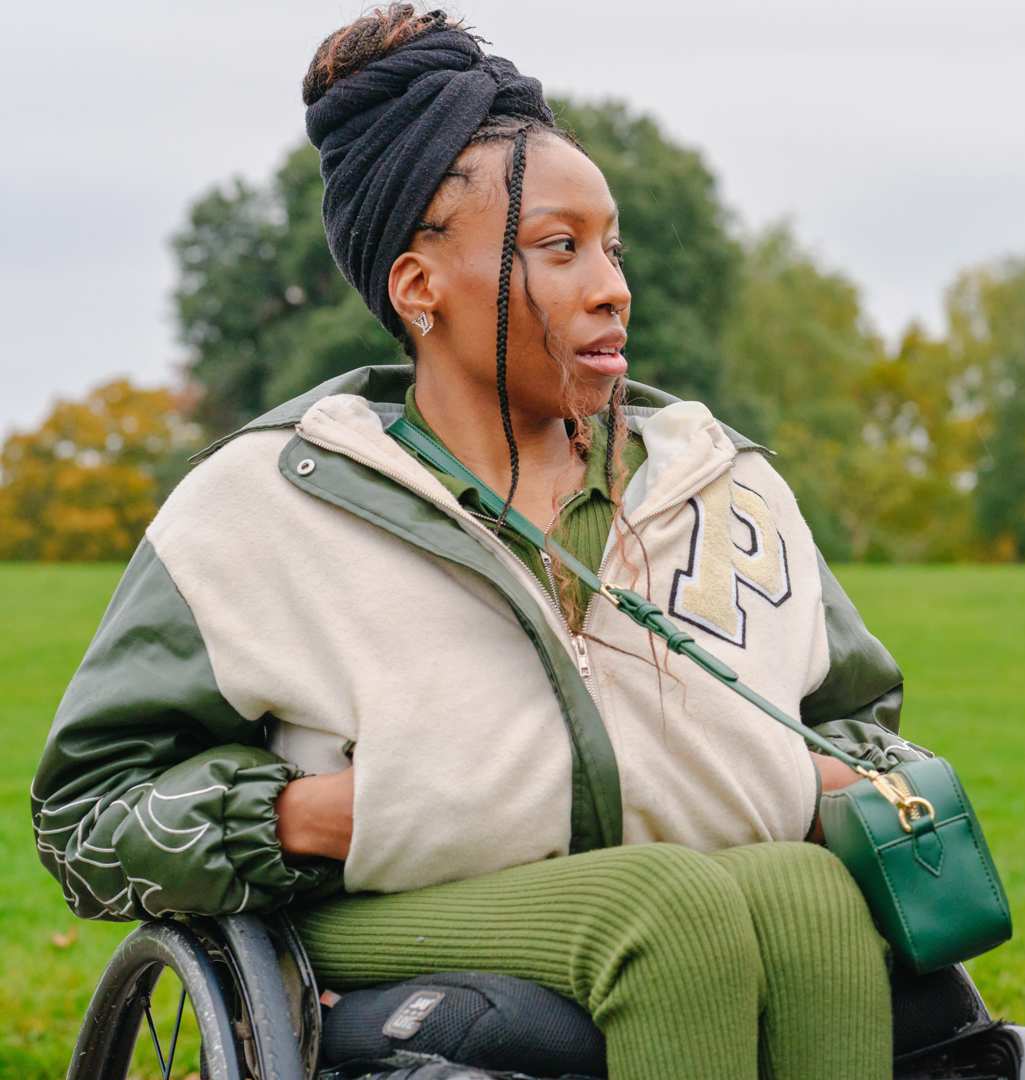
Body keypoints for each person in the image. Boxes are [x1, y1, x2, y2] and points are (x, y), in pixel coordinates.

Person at [30, 7, 910, 1077]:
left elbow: (861, 720)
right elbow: (87, 815)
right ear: (420, 288)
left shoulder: (720, 481)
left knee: (810, 897)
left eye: (612, 247)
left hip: (709, 887)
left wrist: (808, 775)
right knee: (666, 910)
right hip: (398, 913)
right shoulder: (260, 505)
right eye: (559, 249)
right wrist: (307, 817)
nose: (613, 286)